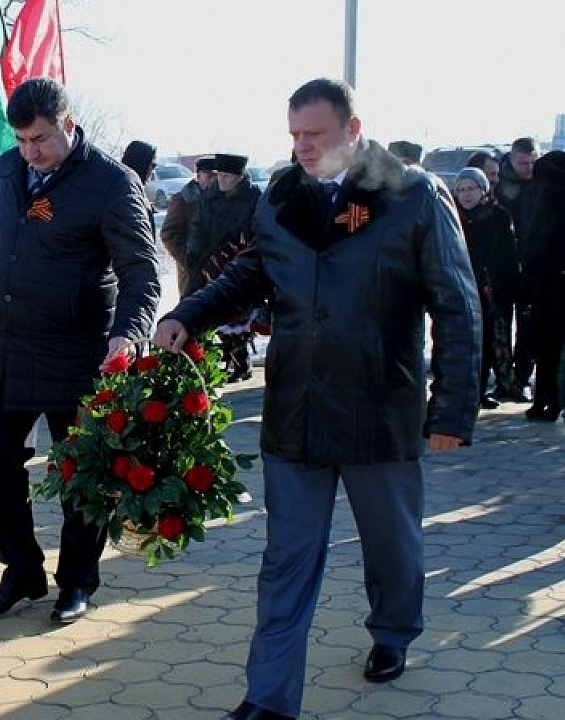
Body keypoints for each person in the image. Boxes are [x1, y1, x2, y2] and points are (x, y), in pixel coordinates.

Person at [154, 78, 480, 720]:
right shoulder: (282, 195)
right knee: (286, 558)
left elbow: (457, 305)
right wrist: (189, 313)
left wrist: (452, 410)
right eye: (294, 135)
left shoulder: (413, 195)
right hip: (297, 408)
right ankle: (268, 699)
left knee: (391, 544)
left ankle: (393, 632)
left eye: (315, 135)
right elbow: (253, 271)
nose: (301, 147)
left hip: (379, 405)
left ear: (352, 132)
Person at [0, 77, 161, 623]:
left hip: (80, 354)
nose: (30, 153)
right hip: (7, 349)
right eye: (21, 141)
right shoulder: (6, 169)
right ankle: (22, 571)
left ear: (68, 123)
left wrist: (129, 333)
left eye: (41, 139)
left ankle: (76, 582)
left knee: (79, 477)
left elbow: (143, 271)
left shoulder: (112, 183)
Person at [184, 152, 263, 380]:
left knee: (239, 316)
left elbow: (256, 230)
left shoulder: (253, 197)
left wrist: (240, 249)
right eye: (221, 176)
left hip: (239, 262)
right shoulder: (210, 196)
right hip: (210, 263)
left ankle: (241, 363)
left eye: (228, 176)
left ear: (239, 177)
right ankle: (228, 360)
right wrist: (193, 252)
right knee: (215, 314)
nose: (223, 181)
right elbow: (198, 226)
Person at [523, 150, 565, 421]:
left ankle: (549, 399)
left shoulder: (548, 195)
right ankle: (556, 400)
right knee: (564, 345)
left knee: (550, 343)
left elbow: (537, 241)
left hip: (554, 281)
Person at [453, 167, 520, 409]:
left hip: (489, 291)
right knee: (457, 345)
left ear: (483, 190)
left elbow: (507, 257)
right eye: (461, 189)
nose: (466, 195)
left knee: (486, 345)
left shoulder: (498, 216)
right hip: (458, 288)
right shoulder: (451, 217)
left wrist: (501, 291)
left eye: (471, 189)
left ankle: (479, 391)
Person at [496, 137, 541, 402]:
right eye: (523, 163)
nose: (529, 168)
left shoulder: (540, 183)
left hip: (531, 265)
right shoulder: (500, 185)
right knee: (500, 324)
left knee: (528, 325)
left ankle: (521, 377)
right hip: (503, 264)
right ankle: (503, 379)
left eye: (533, 162)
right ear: (512, 160)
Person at [160, 155, 216, 295]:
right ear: (198, 176)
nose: (212, 179)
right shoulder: (183, 199)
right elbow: (169, 234)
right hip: (192, 274)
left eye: (215, 175)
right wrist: (189, 260)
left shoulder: (221, 199)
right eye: (208, 175)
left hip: (217, 272)